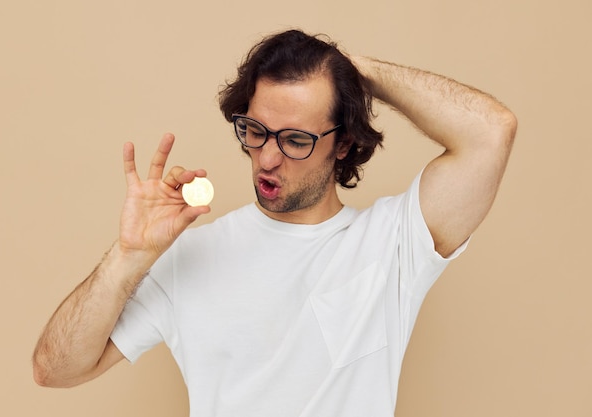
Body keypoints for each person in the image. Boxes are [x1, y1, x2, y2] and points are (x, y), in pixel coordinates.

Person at [32, 29, 516, 416]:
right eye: (256, 131)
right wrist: (128, 256)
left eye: (295, 140)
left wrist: (351, 70)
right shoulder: (192, 256)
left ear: (343, 142)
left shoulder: (394, 245)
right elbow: (54, 370)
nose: (266, 157)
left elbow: (492, 131)